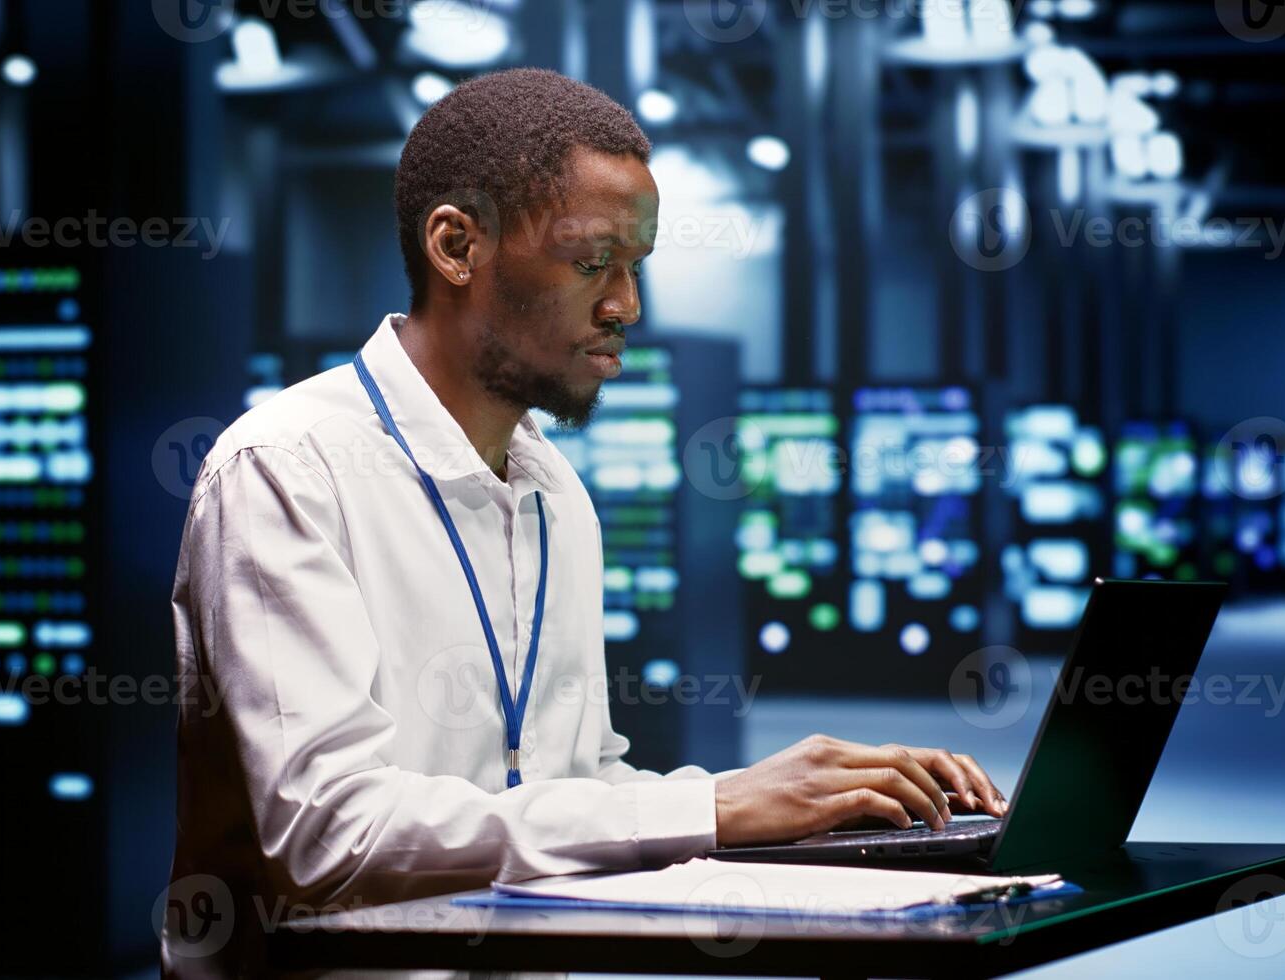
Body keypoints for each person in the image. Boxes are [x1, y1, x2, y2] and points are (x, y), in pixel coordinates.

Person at [163, 67, 1006, 976]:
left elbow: (575, 789)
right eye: (591, 261)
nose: (626, 308)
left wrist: (787, 800)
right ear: (456, 246)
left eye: (635, 267)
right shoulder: (288, 469)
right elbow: (333, 836)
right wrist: (717, 810)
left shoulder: (556, 491)